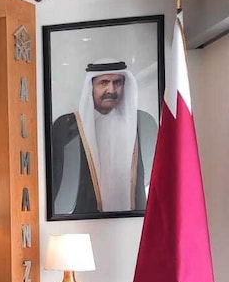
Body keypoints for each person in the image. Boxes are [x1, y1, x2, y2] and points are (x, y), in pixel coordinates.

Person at [50, 59, 157, 216]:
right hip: (83, 221)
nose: (111, 89)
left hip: (132, 221)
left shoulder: (142, 122)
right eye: (103, 83)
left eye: (117, 83)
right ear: (91, 87)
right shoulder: (66, 126)